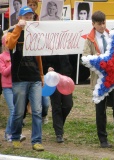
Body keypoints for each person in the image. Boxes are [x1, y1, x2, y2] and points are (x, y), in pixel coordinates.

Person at [83, 10, 114, 148]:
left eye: (104, 23)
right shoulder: (89, 39)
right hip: (99, 80)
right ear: (93, 24)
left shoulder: (111, 35)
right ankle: (103, 139)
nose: (102, 26)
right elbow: (84, 58)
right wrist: (94, 58)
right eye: (99, 24)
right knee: (100, 111)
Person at [6, 6, 44, 151]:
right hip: (19, 78)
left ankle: (37, 141)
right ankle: (15, 136)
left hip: (34, 77)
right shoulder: (12, 31)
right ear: (20, 18)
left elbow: (38, 56)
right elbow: (10, 44)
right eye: (26, 17)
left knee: (37, 111)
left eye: (30, 17)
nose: (29, 19)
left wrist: (41, 74)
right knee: (18, 111)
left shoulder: (35, 32)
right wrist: (18, 28)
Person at [0, 33, 26, 142]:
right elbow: (4, 73)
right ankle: (8, 133)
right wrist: (12, 64)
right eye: (6, 42)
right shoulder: (1, 57)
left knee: (19, 111)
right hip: (7, 87)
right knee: (13, 110)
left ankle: (16, 133)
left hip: (18, 85)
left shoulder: (17, 54)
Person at [42, 55, 73, 143]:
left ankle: (58, 124)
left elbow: (71, 60)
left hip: (66, 79)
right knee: (56, 106)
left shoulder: (66, 47)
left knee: (68, 104)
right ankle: (59, 133)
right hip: (53, 80)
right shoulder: (48, 48)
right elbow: (42, 62)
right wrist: (47, 69)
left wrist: (69, 71)